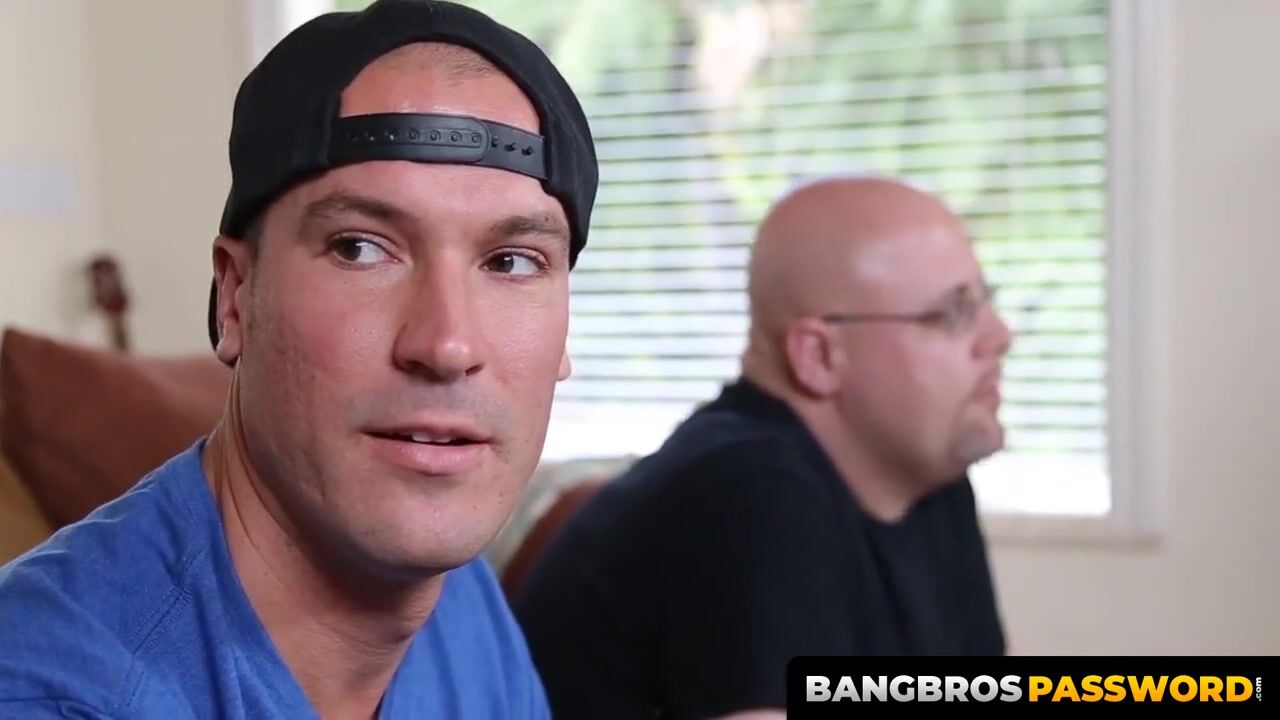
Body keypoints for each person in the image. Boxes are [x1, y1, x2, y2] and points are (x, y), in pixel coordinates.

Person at [0, 1, 597, 717]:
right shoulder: (53, 693)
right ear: (235, 298)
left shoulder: (459, 603)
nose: (446, 345)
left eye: (511, 261)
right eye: (360, 248)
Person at [513, 176, 1012, 719]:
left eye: (985, 301)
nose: (999, 336)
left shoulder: (924, 476)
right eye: (953, 314)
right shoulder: (748, 495)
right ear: (819, 356)